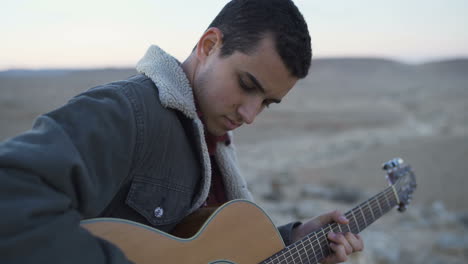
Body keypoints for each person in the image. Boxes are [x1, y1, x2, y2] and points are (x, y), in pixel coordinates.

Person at [0, 0, 363, 263]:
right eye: (247, 84)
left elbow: (206, 247)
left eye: (267, 102)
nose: (251, 114)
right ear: (209, 46)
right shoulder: (131, 112)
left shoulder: (213, 142)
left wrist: (292, 241)